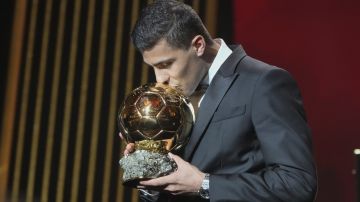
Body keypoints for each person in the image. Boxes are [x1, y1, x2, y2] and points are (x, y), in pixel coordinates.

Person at [121, 0, 317, 201]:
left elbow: (297, 184)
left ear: (198, 45)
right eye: (153, 66)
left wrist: (203, 184)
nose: (159, 79)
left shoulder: (264, 82)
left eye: (166, 64)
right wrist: (150, 173)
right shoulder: (173, 95)